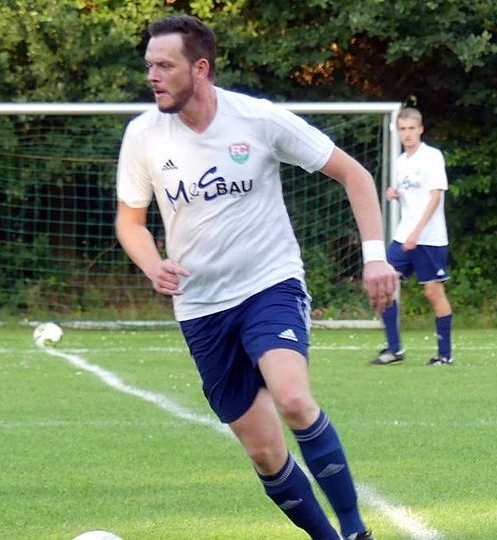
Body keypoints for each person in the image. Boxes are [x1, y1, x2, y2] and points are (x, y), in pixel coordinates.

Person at [114, 14, 398, 540]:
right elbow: (129, 221)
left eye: (165, 66)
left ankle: (356, 531)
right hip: (201, 308)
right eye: (149, 65)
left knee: (293, 399)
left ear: (200, 68)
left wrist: (376, 257)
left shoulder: (258, 119)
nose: (152, 76)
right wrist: (153, 264)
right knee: (266, 453)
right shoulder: (143, 135)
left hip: (270, 285)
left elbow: (355, 175)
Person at [370, 107, 453, 366]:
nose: (407, 134)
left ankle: (444, 355)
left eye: (411, 129)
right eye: (402, 129)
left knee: (432, 292)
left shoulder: (432, 157)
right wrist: (393, 194)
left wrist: (417, 232)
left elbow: (435, 196)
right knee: (382, 284)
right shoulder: (401, 162)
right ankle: (394, 349)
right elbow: (409, 194)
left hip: (429, 238)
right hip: (403, 235)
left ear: (420, 129)